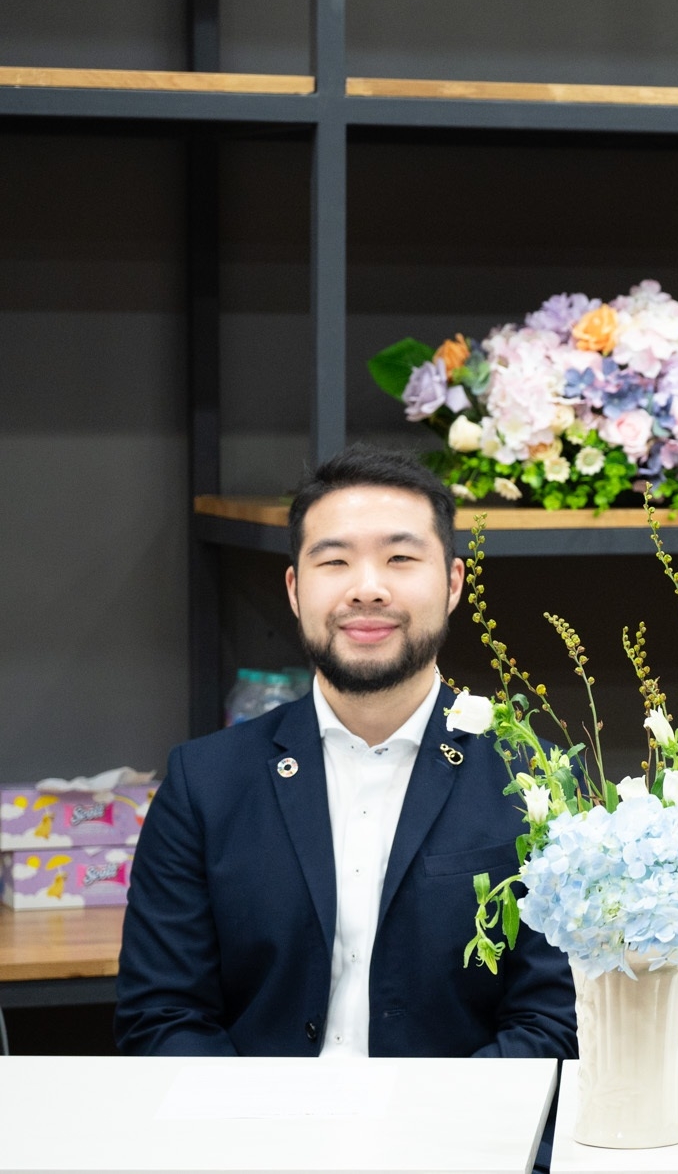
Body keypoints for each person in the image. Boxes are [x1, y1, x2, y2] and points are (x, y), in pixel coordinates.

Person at [116, 446, 575, 1064]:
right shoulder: (206, 783)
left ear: (453, 584)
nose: (368, 589)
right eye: (334, 560)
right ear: (295, 589)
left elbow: (555, 1019)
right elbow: (163, 1015)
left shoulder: (537, 781)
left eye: (401, 559)